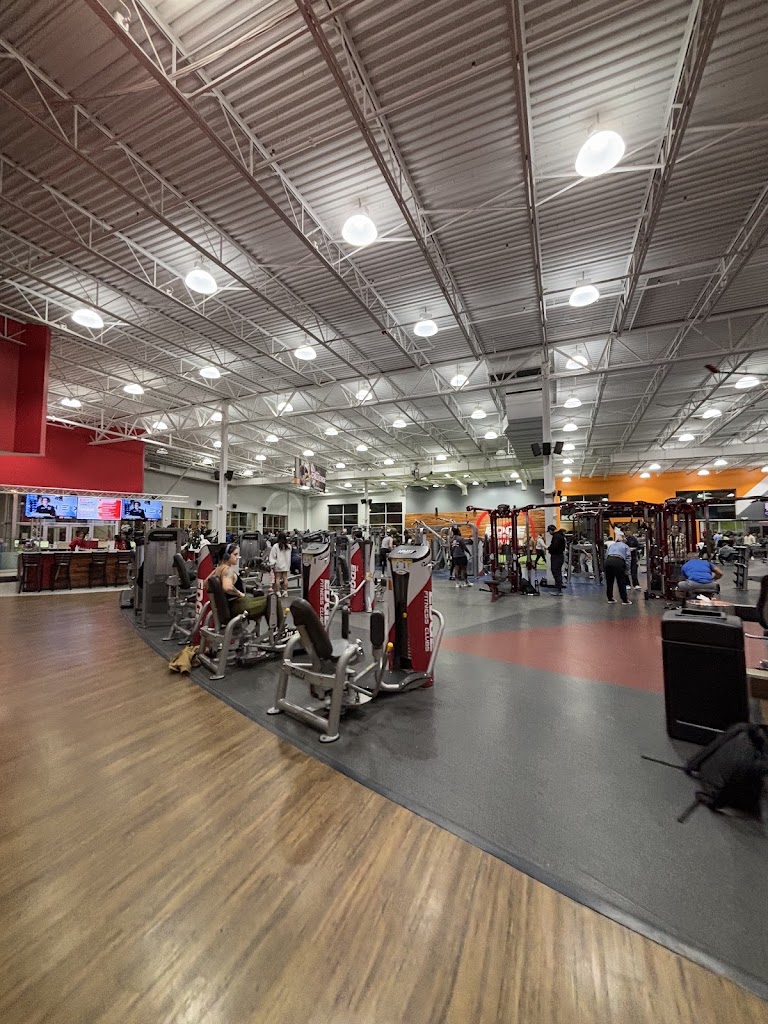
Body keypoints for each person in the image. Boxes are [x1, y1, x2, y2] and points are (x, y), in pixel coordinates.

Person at [210, 543, 285, 629]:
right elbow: (227, 587)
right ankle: (281, 630)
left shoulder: (217, 569)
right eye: (235, 554)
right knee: (273, 599)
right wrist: (239, 594)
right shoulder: (227, 571)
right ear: (227, 556)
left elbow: (206, 582)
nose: (238, 557)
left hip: (233, 605)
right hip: (239, 606)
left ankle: (275, 630)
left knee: (269, 597)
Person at [604, 537, 633, 605]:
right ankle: (624, 600)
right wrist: (627, 570)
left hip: (608, 560)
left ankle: (610, 598)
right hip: (619, 561)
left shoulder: (612, 545)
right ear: (624, 541)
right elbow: (628, 558)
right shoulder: (626, 546)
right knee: (621, 581)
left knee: (609, 581)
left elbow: (606, 555)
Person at [269, 531, 291, 597]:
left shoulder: (276, 546)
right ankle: (285, 591)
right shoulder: (289, 546)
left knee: (277, 578)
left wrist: (272, 564)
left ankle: (278, 592)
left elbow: (273, 556)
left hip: (278, 564)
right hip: (286, 564)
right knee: (285, 578)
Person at [546, 524, 566, 594]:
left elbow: (555, 546)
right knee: (558, 572)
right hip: (560, 556)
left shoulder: (556, 536)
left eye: (549, 531)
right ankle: (558, 589)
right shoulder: (560, 536)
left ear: (551, 530)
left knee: (556, 572)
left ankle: (558, 590)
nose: (549, 533)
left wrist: (549, 549)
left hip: (556, 556)